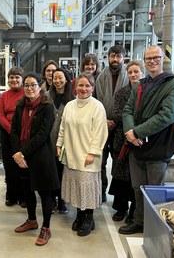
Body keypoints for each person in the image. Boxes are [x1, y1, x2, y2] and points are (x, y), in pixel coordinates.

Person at [119, 45, 174, 235]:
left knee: (154, 190)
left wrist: (136, 132)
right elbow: (127, 110)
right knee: (138, 188)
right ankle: (139, 221)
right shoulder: (141, 85)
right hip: (136, 146)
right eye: (148, 59)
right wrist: (130, 133)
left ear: (163, 58)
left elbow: (167, 116)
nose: (152, 61)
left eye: (156, 57)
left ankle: (154, 225)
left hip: (158, 147)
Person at [10, 72, 59, 246]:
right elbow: (14, 131)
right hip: (22, 158)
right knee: (27, 190)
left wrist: (22, 153)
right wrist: (17, 153)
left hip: (41, 157)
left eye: (33, 85)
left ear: (40, 86)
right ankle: (32, 220)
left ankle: (46, 227)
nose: (29, 88)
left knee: (45, 193)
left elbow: (42, 135)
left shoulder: (47, 107)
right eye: (27, 85)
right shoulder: (20, 105)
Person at [57, 72, 107, 237]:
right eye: (80, 85)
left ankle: (89, 218)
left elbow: (100, 132)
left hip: (88, 155)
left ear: (92, 88)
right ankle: (79, 214)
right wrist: (59, 144)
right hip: (71, 153)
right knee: (77, 187)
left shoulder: (97, 106)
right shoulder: (70, 105)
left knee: (87, 187)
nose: (83, 88)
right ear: (75, 87)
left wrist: (93, 152)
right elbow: (63, 127)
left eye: (87, 85)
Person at [108, 60, 144, 224]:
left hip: (140, 140)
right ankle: (121, 208)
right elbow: (117, 114)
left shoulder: (147, 92)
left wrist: (137, 131)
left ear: (142, 73)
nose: (133, 75)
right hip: (121, 139)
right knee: (120, 175)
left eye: (136, 71)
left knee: (135, 178)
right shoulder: (122, 93)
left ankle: (134, 210)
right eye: (130, 72)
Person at [94, 45, 128, 203]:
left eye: (118, 56)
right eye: (112, 56)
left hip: (121, 128)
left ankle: (119, 201)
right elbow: (95, 101)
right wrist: (103, 120)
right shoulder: (101, 77)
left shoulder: (128, 76)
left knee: (119, 163)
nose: (115, 59)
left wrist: (116, 120)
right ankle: (100, 192)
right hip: (102, 125)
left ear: (123, 58)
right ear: (107, 58)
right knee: (100, 162)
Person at [0, 66, 26, 207]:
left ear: (22, 79)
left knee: (22, 165)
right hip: (7, 135)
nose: (14, 80)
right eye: (11, 77)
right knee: (9, 165)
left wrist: (18, 133)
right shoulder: (4, 96)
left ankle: (23, 196)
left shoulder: (26, 94)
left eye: (17, 77)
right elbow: (1, 115)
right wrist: (11, 131)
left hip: (23, 135)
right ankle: (11, 195)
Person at [48, 67, 75, 214]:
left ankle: (62, 200)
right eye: (55, 78)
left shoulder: (73, 99)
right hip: (48, 141)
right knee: (50, 171)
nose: (57, 81)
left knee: (62, 171)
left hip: (66, 142)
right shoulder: (46, 96)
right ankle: (51, 199)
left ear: (66, 79)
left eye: (60, 77)